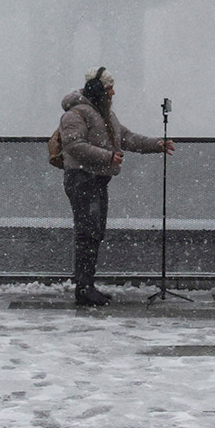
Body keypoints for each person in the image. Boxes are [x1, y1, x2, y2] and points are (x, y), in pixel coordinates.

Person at [57, 66, 175, 306]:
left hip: (97, 180)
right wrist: (107, 157)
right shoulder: (75, 114)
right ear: (99, 90)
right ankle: (83, 287)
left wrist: (156, 144)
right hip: (81, 180)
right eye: (109, 89)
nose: (113, 93)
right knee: (87, 234)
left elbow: (126, 137)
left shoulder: (104, 114)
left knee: (94, 233)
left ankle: (86, 285)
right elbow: (73, 146)